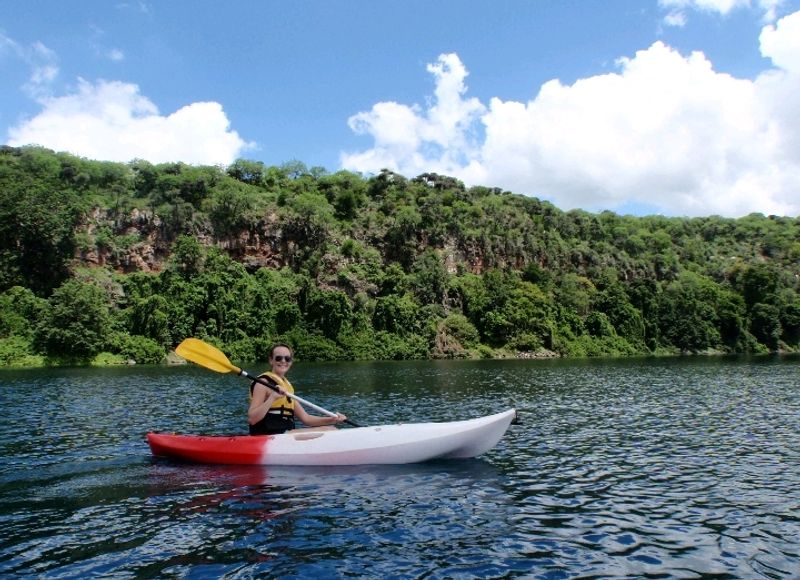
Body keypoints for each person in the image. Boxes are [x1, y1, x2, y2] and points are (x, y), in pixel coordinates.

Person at [248, 343, 347, 435]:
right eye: (278, 358)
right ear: (271, 360)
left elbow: (306, 418)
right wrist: (272, 398)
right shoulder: (263, 383)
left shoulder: (287, 387)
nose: (283, 361)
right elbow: (252, 418)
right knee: (330, 431)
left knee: (331, 428)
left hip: (286, 434)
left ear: (291, 362)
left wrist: (333, 419)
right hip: (268, 435)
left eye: (287, 358)